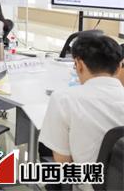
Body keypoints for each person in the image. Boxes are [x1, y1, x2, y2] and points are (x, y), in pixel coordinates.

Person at [39, 35, 124, 164]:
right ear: (119, 66)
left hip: (86, 176)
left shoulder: (64, 99)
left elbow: (63, 161)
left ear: (79, 64)